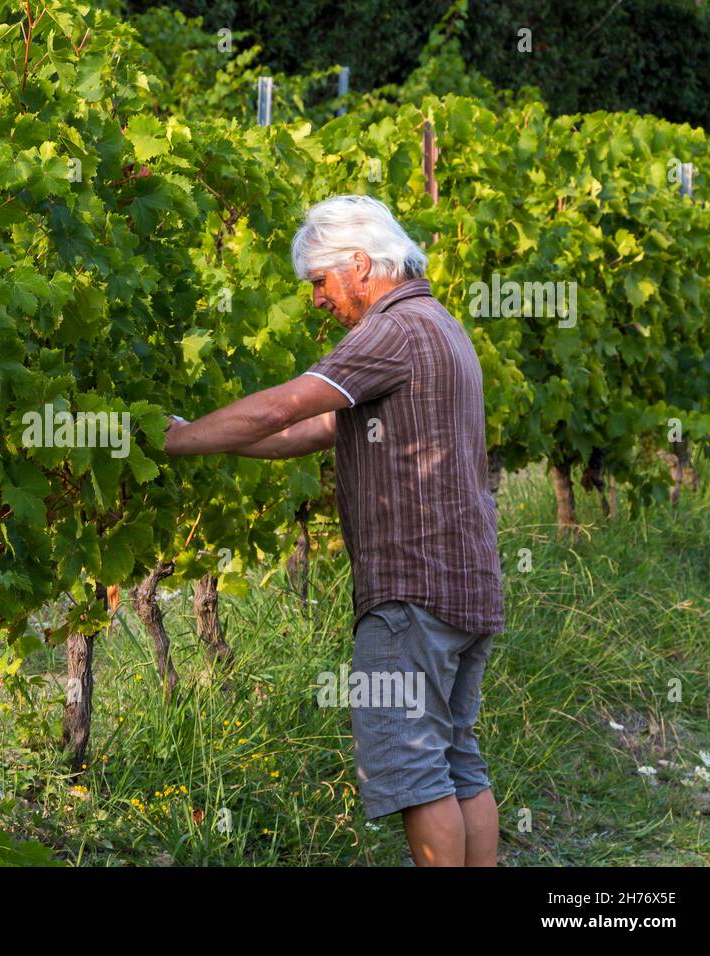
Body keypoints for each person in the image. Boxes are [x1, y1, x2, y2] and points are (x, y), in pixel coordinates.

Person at [164, 194, 503, 866]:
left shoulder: (391, 329)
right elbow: (313, 428)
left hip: (413, 592)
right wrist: (211, 440)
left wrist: (174, 443)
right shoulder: (442, 326)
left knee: (414, 771)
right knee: (457, 759)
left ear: (358, 263)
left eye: (319, 282)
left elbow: (287, 403)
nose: (318, 300)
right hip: (467, 588)